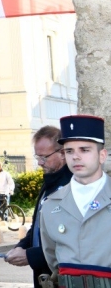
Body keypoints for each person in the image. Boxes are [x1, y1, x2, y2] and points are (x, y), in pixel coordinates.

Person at [40, 115, 111, 286]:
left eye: (84, 150)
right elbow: (52, 260)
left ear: (102, 155)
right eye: (69, 151)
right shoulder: (51, 205)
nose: (76, 157)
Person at [4, 125, 72, 286]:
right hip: (43, 275)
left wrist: (31, 256)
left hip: (62, 278)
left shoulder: (72, 185)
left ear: (62, 153)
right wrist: (20, 247)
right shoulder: (49, 181)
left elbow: (72, 243)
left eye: (44, 157)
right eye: (37, 157)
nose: (40, 163)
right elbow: (37, 227)